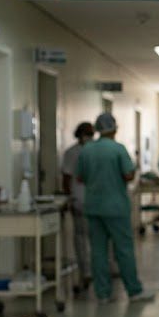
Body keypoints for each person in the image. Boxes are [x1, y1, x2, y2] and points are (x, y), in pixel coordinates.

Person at [76, 113, 152, 304]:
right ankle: (133, 291)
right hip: (116, 208)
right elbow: (128, 175)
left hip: (94, 207)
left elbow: (80, 177)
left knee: (98, 251)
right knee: (123, 249)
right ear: (114, 129)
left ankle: (102, 293)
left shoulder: (87, 150)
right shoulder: (118, 149)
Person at [60, 121, 94, 291]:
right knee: (81, 239)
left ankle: (95, 271)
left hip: (95, 201)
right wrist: (69, 199)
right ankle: (85, 272)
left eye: (91, 133)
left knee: (95, 239)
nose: (89, 137)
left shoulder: (95, 151)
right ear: (79, 134)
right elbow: (66, 179)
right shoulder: (71, 153)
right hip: (79, 200)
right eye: (87, 133)